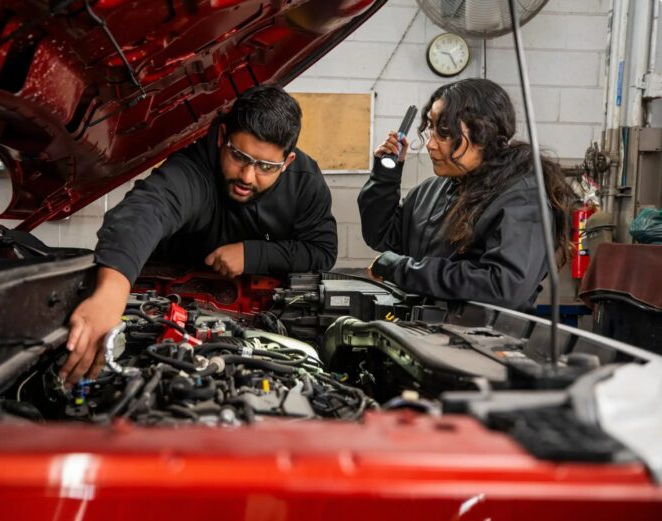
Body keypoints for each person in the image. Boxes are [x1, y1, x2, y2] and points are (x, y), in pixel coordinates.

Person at [61, 84, 337, 383]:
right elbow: (148, 209)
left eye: (266, 166)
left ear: (287, 163)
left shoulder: (305, 183)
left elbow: (323, 251)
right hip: (166, 302)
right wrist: (111, 293)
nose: (247, 175)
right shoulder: (194, 167)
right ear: (222, 138)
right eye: (240, 156)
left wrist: (253, 254)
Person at [359, 78, 574, 312]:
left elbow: (503, 286)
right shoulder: (431, 191)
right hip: (425, 334)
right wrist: (384, 176)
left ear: (484, 132)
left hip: (483, 342)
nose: (430, 144)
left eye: (444, 132)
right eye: (431, 128)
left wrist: (402, 270)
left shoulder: (522, 199)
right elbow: (381, 236)